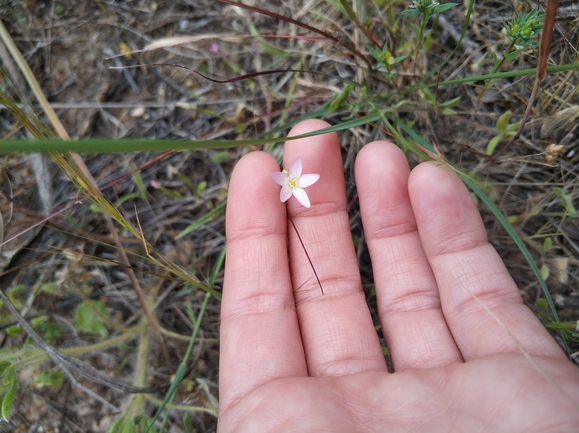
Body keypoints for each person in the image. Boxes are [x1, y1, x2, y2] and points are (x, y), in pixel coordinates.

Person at [218, 119, 579, 432]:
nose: (294, 184)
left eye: (295, 182)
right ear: (287, 182)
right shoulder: (286, 184)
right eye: (292, 183)